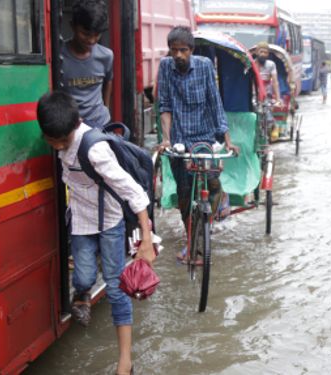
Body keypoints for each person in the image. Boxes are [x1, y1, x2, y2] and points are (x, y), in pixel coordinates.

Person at [37, 91, 155, 375]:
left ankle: (125, 360)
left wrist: (147, 238)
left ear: (75, 127)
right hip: (80, 220)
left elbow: (133, 191)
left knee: (116, 290)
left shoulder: (94, 150)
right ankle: (82, 295)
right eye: (51, 141)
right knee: (84, 277)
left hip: (110, 222)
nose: (57, 147)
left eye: (62, 141)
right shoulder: (57, 132)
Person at [156, 27, 239, 259]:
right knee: (184, 196)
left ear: (191, 50)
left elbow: (215, 103)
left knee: (211, 182)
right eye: (174, 51)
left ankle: (219, 196)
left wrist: (227, 139)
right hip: (180, 138)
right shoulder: (165, 67)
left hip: (204, 136)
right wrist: (166, 139)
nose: (179, 55)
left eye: (183, 50)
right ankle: (192, 242)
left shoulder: (203, 66)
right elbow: (165, 106)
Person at [61, 0, 113, 129]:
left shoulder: (106, 56)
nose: (91, 40)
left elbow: (108, 81)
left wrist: (106, 108)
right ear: (72, 26)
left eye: (96, 35)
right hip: (70, 127)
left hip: (100, 124)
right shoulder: (59, 56)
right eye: (85, 34)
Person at [254, 41, 283, 140]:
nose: (263, 54)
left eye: (266, 52)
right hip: (254, 94)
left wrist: (278, 99)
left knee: (268, 114)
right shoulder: (252, 63)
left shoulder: (271, 65)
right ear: (257, 52)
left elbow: (275, 82)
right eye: (261, 52)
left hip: (267, 94)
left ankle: (274, 126)